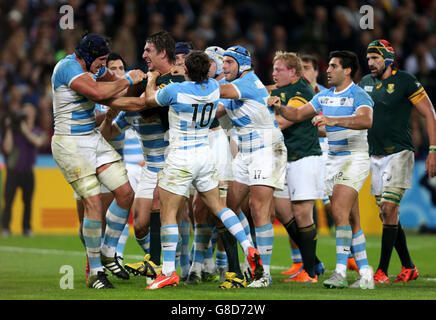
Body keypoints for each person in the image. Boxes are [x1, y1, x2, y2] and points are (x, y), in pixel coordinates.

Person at [137, 50, 263, 290]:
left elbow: (149, 100)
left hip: (180, 157)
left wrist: (152, 78)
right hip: (205, 156)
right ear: (208, 70)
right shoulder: (215, 89)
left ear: (186, 70)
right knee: (219, 207)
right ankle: (248, 246)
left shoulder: (176, 90)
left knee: (168, 213)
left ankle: (168, 272)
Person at [269, 50, 375, 289]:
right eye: (328, 66)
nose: (328, 70)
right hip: (332, 160)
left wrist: (334, 121)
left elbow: (366, 121)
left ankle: (339, 271)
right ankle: (366, 273)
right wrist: (280, 106)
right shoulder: (323, 97)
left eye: (333, 66)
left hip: (354, 158)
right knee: (351, 218)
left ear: (347, 70)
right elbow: (296, 114)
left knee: (338, 211)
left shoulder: (358, 94)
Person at [50, 33, 146, 289]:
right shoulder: (67, 67)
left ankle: (107, 251)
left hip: (92, 139)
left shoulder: (96, 67)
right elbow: (98, 92)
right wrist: (127, 80)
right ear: (88, 56)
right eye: (101, 59)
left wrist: (143, 86)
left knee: (125, 193)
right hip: (69, 143)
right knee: (93, 202)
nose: (102, 64)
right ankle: (95, 271)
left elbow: (118, 88)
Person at [100, 31, 185, 281]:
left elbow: (148, 103)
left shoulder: (174, 84)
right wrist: (108, 113)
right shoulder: (133, 109)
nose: (144, 55)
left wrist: (110, 99)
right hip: (151, 166)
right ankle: (158, 262)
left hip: (174, 160)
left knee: (184, 216)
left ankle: (169, 266)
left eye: (148, 50)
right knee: (139, 226)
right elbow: (109, 132)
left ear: (162, 52)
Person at [359, 39, 436, 283]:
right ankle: (409, 266)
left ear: (388, 59)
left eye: (375, 58)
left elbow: (429, 113)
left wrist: (433, 150)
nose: (370, 62)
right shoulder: (365, 83)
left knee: (389, 208)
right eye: (369, 58)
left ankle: (381, 270)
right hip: (375, 155)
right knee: (387, 214)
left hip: (400, 152)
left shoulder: (405, 80)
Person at [217, 45, 287, 288]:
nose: (223, 67)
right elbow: (217, 110)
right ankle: (250, 257)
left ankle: (264, 274)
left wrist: (189, 86)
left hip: (267, 149)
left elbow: (217, 92)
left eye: (228, 62)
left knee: (258, 208)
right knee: (230, 208)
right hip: (245, 153)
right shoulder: (237, 88)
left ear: (242, 65)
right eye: (222, 62)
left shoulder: (247, 82)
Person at [269, 51, 324, 283]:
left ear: (293, 72)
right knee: (281, 210)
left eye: (278, 69)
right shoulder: (280, 90)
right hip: (285, 160)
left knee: (302, 213)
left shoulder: (302, 91)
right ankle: (314, 262)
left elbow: (283, 121)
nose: (274, 73)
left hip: (304, 157)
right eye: (273, 69)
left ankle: (309, 272)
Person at [1, 103, 46, 237]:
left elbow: (38, 142)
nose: (26, 115)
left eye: (29, 112)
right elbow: (7, 148)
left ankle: (26, 228)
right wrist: (9, 128)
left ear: (33, 115)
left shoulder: (37, 131)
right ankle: (5, 228)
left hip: (28, 171)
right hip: (12, 171)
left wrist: (25, 129)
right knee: (8, 201)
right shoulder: (14, 131)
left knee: (27, 202)